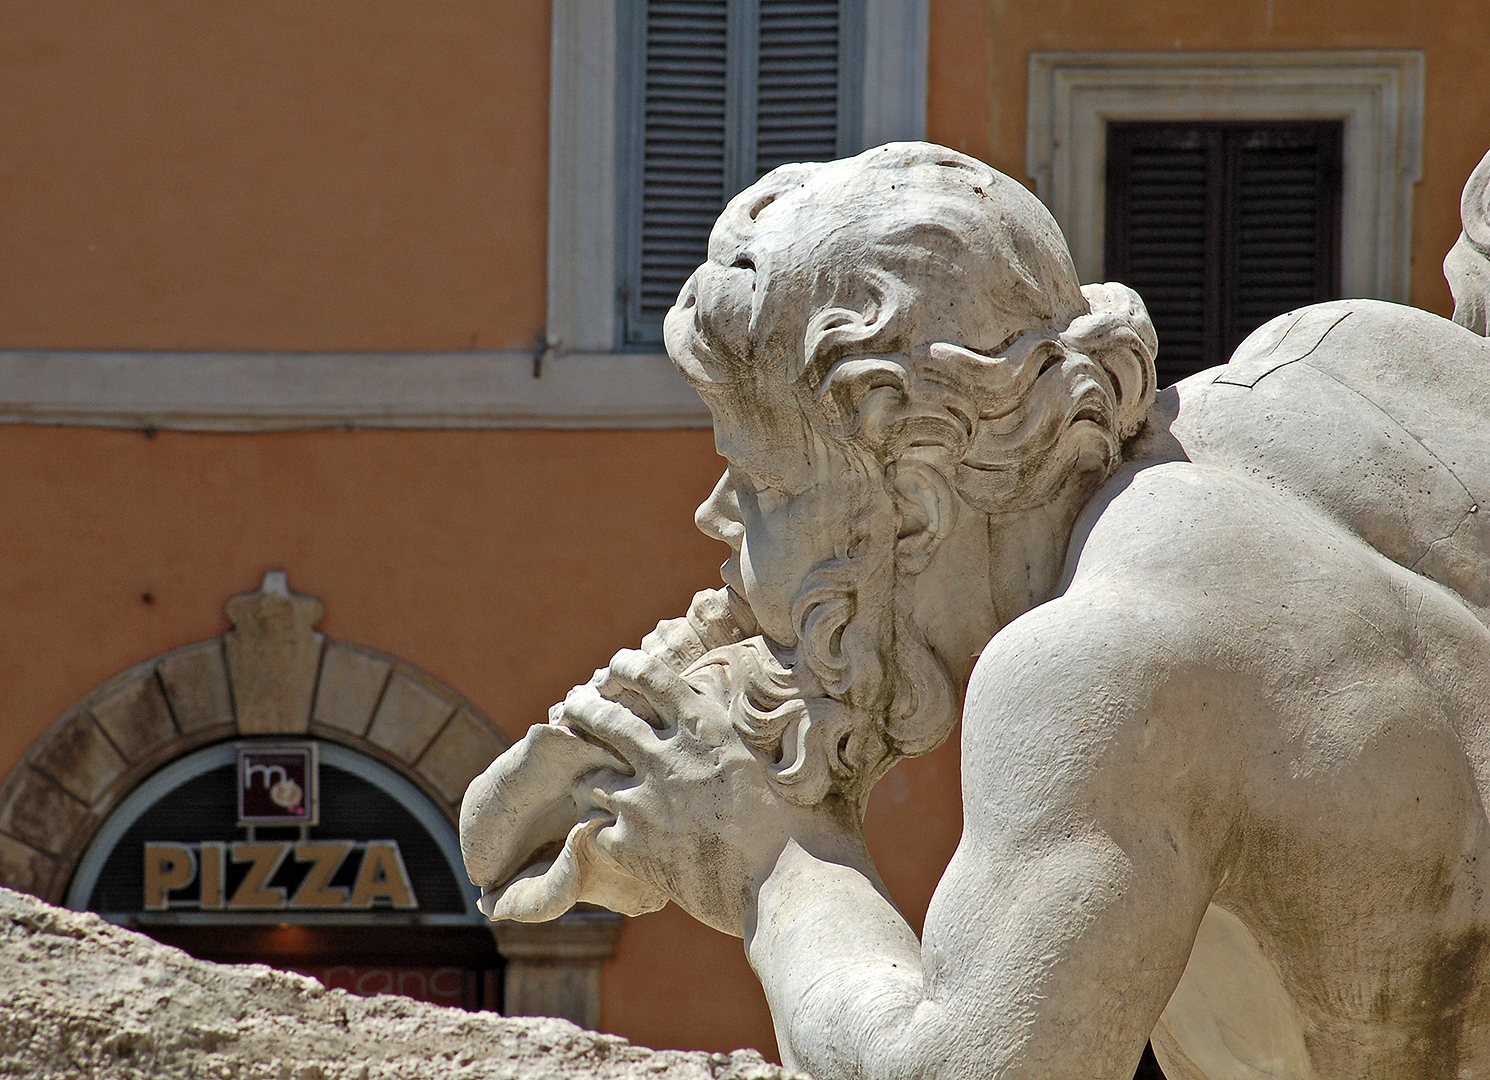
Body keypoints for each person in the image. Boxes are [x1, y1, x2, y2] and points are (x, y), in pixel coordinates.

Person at [462, 143, 1490, 1079]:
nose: (715, 515)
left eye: (755, 475)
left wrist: (768, 855)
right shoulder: (1342, 361)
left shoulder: (1102, 667)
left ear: (909, 491)